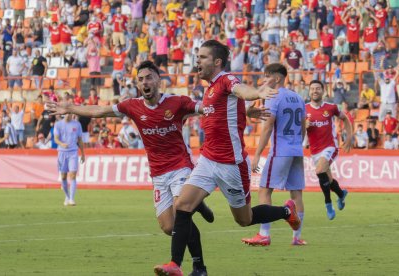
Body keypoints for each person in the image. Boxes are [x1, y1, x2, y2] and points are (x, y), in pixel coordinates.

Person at [47, 60, 222, 275]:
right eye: (140, 79)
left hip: (180, 167)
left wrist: (240, 110)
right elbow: (100, 111)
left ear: (159, 80)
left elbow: (207, 108)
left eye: (149, 77)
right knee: (170, 227)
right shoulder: (132, 106)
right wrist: (70, 107)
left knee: (182, 210)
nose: (145, 82)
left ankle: (198, 267)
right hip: (158, 174)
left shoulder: (177, 102)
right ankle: (197, 205)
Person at [153, 41, 301, 275]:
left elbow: (241, 90)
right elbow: (228, 109)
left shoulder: (226, 79)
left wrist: (257, 94)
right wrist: (246, 111)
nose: (197, 61)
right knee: (182, 205)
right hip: (208, 160)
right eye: (197, 56)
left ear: (217, 62)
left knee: (244, 219)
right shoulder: (210, 87)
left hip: (231, 164)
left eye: (202, 57)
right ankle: (177, 265)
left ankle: (286, 211)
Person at [241, 63, 307, 247]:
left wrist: (257, 155)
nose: (264, 80)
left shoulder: (273, 96)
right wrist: (296, 145)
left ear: (277, 78)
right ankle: (297, 238)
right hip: (296, 151)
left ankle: (264, 234)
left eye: (267, 77)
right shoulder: (298, 98)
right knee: (297, 194)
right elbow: (302, 128)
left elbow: (268, 127)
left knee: (264, 190)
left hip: (280, 151)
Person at [305, 80, 352, 220]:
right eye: (312, 88)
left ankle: (328, 203)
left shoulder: (331, 107)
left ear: (323, 91)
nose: (315, 91)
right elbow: (298, 128)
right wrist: (304, 125)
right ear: (309, 91)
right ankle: (341, 194)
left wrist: (349, 137)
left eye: (318, 88)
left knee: (319, 171)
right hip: (314, 150)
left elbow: (346, 119)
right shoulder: (303, 108)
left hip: (330, 146)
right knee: (328, 179)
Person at [54, 114, 85, 206]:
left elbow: (80, 140)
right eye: (66, 113)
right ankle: (67, 196)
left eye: (69, 113)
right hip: (62, 152)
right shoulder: (58, 124)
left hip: (73, 152)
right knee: (63, 176)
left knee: (73, 175)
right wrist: (62, 144)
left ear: (72, 114)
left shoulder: (77, 124)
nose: (67, 115)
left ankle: (72, 198)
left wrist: (83, 153)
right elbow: (56, 139)